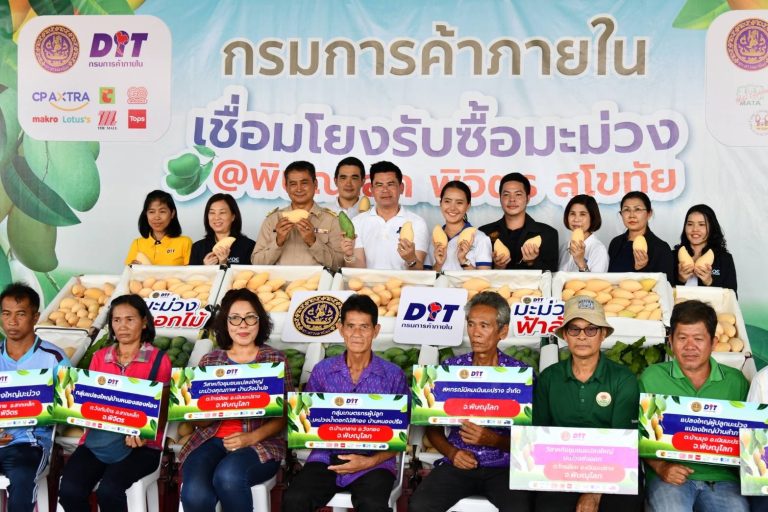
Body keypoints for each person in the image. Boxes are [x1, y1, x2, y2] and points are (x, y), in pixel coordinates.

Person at [282, 294, 408, 512]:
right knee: (294, 499)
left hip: (374, 463)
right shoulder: (323, 371)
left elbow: (401, 434)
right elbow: (305, 422)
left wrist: (369, 461)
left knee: (372, 506)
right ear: (341, 329)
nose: (357, 334)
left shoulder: (393, 375)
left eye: (364, 327)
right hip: (325, 459)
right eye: (350, 326)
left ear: (376, 331)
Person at [409, 291, 532, 512]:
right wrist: (452, 453)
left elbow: (529, 440)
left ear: (503, 331)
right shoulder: (449, 370)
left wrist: (494, 440)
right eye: (471, 324)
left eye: (484, 326)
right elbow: (431, 428)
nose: (476, 333)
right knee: (419, 505)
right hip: (458, 463)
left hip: (504, 467)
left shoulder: (519, 374)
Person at [178, 288, 292, 512]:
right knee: (194, 494)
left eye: (250, 317)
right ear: (225, 322)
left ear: (260, 321)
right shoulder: (210, 360)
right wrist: (212, 408)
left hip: (259, 443)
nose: (243, 325)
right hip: (210, 440)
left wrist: (250, 438)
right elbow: (196, 420)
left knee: (228, 477)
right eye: (235, 318)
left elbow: (285, 415)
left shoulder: (275, 359)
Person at [58, 294, 172, 512]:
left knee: (109, 491)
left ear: (144, 322)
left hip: (142, 447)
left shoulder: (159, 360)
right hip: (98, 442)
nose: (123, 326)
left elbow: (163, 410)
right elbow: (88, 403)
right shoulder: (100, 357)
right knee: (70, 490)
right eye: (117, 320)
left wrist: (143, 432)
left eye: (130, 319)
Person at [639, 299, 749, 512]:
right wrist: (661, 466)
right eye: (682, 338)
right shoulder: (652, 378)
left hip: (723, 481)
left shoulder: (735, 382)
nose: (690, 347)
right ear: (671, 341)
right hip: (668, 477)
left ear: (713, 342)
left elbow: (751, 438)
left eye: (698, 339)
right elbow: (638, 435)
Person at [533, 296, 642, 512]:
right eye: (574, 329)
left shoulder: (623, 379)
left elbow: (624, 443)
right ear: (565, 335)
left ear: (603, 334)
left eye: (591, 329)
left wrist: (594, 492)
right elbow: (538, 434)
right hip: (561, 469)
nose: (582, 336)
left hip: (613, 468)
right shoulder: (549, 378)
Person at [0, 283, 68, 512]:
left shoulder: (54, 358)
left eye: (20, 314)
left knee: (22, 477)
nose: (12, 321)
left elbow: (69, 406)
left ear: (35, 317)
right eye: (6, 314)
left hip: (29, 443)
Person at [251, 160, 344, 268]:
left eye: (304, 183)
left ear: (315, 184)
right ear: (286, 187)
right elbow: (256, 263)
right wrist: (278, 242)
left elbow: (339, 264)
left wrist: (313, 242)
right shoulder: (273, 220)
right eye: (293, 184)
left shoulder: (331, 221)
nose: (299, 189)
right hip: (280, 279)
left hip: (316, 279)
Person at [342, 161, 428, 270]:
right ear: (372, 190)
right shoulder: (357, 222)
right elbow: (359, 268)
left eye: (390, 184)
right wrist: (349, 256)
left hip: (403, 281)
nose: (385, 190)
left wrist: (411, 259)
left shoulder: (417, 223)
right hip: (368, 282)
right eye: (379, 185)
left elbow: (418, 272)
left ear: (401, 188)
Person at [479, 172, 558, 272]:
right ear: (500, 198)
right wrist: (498, 267)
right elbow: (478, 275)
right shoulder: (484, 233)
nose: (512, 199)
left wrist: (531, 262)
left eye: (518, 194)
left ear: (528, 198)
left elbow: (551, 274)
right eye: (506, 194)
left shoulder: (548, 233)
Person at [608, 191, 674, 282]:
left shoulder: (661, 248)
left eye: (637, 209)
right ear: (621, 214)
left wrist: (642, 268)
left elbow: (667, 285)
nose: (631, 215)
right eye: (626, 210)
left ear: (649, 213)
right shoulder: (616, 243)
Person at [427, 180, 492, 271]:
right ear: (440, 203)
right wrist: (438, 264)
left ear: (468, 206)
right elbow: (424, 278)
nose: (452, 208)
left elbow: (484, 278)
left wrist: (463, 260)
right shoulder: (432, 240)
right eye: (447, 201)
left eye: (459, 203)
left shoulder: (480, 239)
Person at [673, 204, 737, 292]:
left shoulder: (724, 259)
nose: (695, 229)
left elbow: (732, 296)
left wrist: (710, 282)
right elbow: (661, 292)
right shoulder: (671, 256)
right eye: (690, 224)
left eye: (701, 224)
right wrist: (680, 280)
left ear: (712, 227)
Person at [125, 190, 192, 265]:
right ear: (146, 214)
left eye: (162, 211)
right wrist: (133, 267)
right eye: (151, 212)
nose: (157, 217)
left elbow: (190, 272)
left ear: (172, 213)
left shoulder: (185, 242)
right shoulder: (137, 244)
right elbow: (129, 270)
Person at [190, 193, 256, 265]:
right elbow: (192, 272)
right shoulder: (198, 247)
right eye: (212, 212)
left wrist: (223, 264)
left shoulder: (249, 246)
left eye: (222, 212)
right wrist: (204, 268)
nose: (216, 217)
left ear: (233, 216)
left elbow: (249, 272)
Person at [557, 194, 609, 273]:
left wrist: (581, 263)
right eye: (572, 214)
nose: (576, 219)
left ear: (592, 217)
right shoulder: (563, 248)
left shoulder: (598, 249)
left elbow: (596, 281)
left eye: (582, 214)